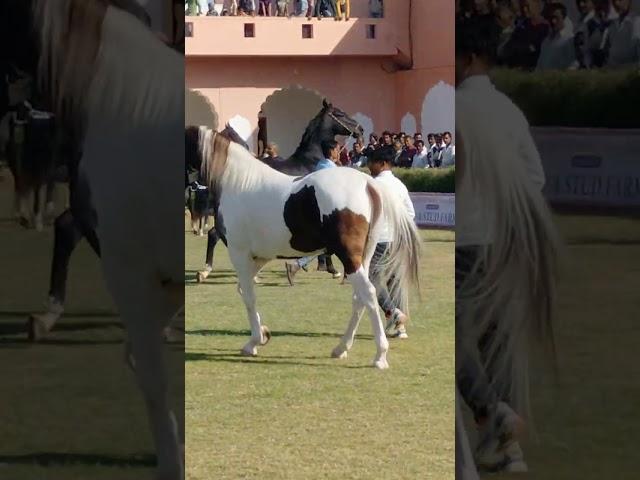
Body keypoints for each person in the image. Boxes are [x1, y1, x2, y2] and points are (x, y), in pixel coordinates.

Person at [456, 17, 558, 474]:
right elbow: (535, 178)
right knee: (498, 343)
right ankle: (507, 447)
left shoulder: (454, 107)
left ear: (471, 58)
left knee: (453, 338)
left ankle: (489, 413)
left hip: (465, 240)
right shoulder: (510, 111)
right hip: (503, 240)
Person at [367, 145, 415, 339]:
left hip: (378, 239)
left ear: (383, 163)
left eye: (372, 162)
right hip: (397, 239)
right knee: (395, 282)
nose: (369, 165)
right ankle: (400, 328)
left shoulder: (372, 184)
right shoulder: (400, 185)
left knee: (371, 279)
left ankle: (392, 313)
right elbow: (410, 213)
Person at [285, 140, 343, 284]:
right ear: (331, 151)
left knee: (329, 244)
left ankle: (327, 267)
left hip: (317, 209)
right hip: (327, 212)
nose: (338, 152)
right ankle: (297, 265)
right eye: (337, 149)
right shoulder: (331, 169)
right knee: (332, 242)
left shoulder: (320, 165)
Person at [536, 2, 576, 70]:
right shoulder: (546, 42)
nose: (553, 21)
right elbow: (539, 66)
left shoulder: (569, 40)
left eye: (556, 18)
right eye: (551, 18)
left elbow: (573, 66)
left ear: (563, 18)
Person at [606, 0, 640, 67]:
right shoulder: (612, 24)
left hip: (630, 69)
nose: (617, 3)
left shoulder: (636, 21)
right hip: (613, 68)